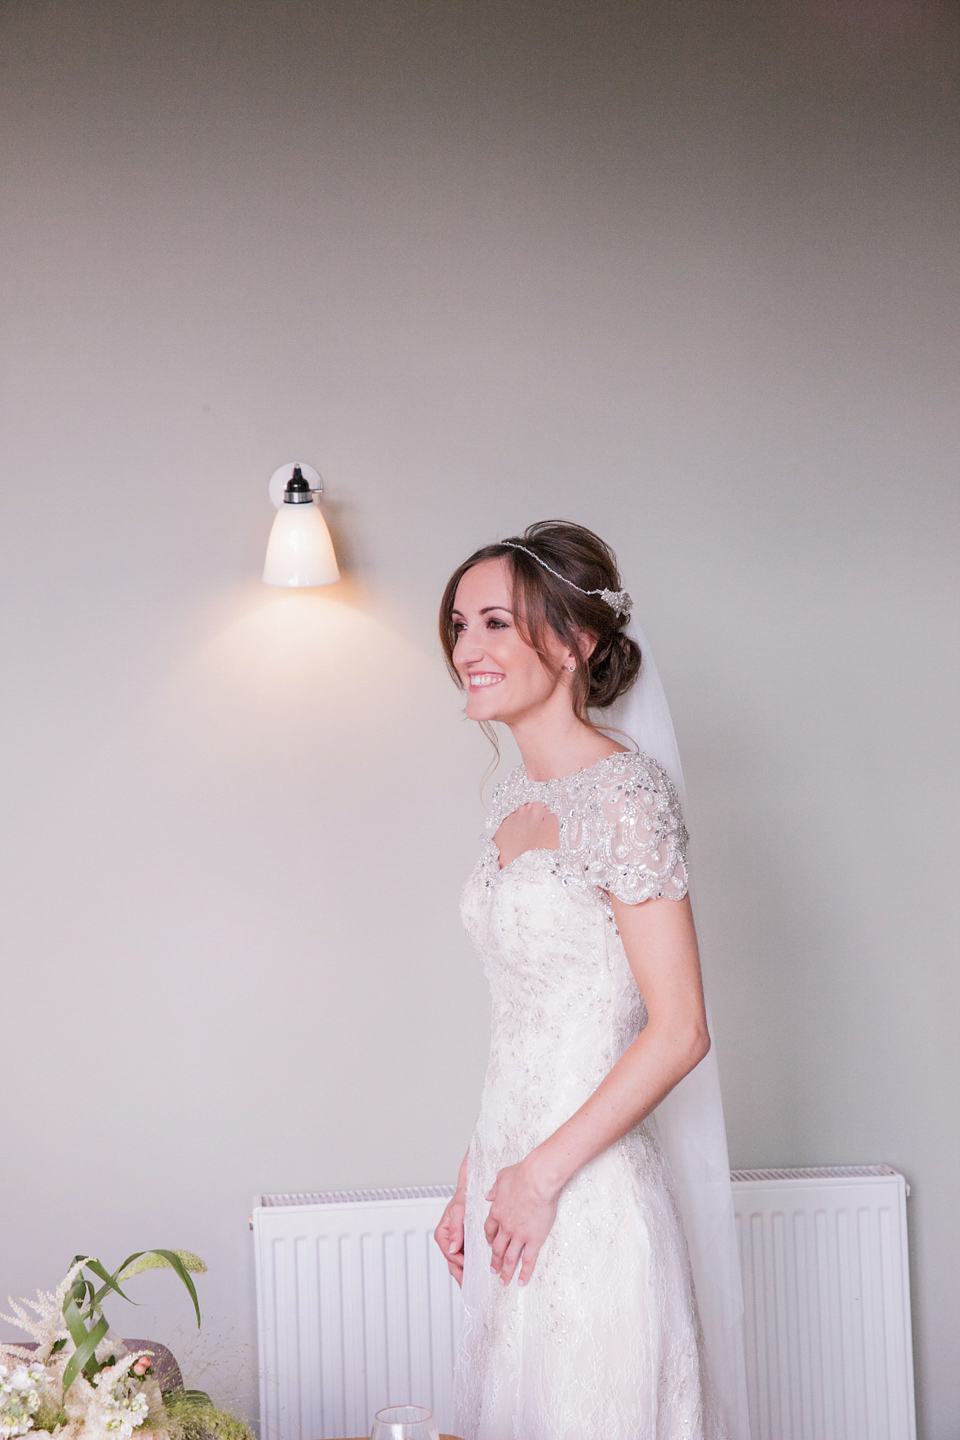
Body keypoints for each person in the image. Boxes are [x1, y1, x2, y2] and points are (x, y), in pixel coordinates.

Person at [433, 521, 748, 1440]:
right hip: (511, 1184)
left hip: (585, 1190)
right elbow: (530, 1019)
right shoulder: (508, 802)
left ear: (576, 644)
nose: (468, 650)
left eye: (497, 623)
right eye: (460, 625)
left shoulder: (627, 797)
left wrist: (540, 1176)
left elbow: (680, 1028)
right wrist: (473, 1179)